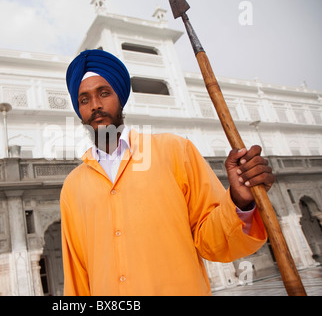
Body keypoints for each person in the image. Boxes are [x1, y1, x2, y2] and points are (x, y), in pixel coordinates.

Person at [60, 49, 274, 295]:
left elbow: (211, 242)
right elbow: (77, 277)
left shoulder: (174, 151)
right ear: (79, 111)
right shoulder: (73, 187)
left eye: (104, 93)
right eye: (84, 99)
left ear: (120, 97)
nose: (95, 105)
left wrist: (239, 200)